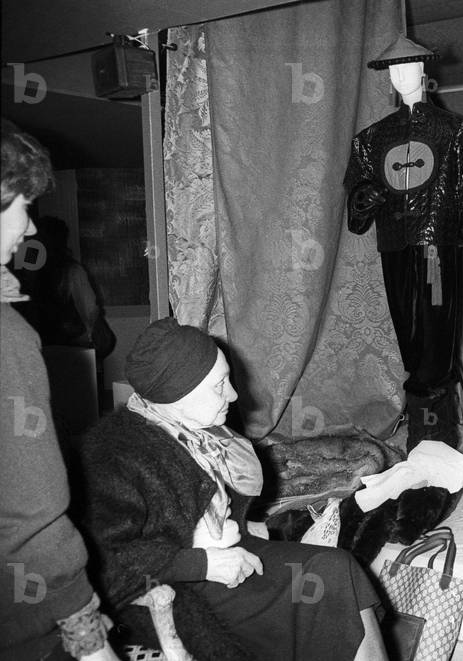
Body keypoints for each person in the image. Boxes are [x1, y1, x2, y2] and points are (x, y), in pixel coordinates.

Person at [75, 317, 386, 660]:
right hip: (173, 588)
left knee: (336, 567)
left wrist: (239, 524)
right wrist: (201, 563)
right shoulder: (114, 455)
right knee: (321, 586)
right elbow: (104, 564)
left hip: (223, 561)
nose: (234, 394)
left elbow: (203, 506)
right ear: (179, 390)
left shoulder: (197, 432)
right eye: (220, 384)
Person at [0, 119, 119, 660]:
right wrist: (88, 637)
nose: (29, 229)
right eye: (23, 207)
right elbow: (35, 509)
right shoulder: (7, 335)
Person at [344, 35, 463, 452]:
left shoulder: (456, 132)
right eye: (395, 68)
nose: (401, 74)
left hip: (433, 252)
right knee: (409, 339)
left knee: (436, 337)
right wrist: (364, 198)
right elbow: (356, 215)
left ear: (424, 71)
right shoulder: (370, 140)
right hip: (395, 249)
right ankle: (423, 441)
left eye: (410, 66)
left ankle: (436, 443)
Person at [13, 215, 115, 361]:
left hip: (41, 346)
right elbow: (90, 309)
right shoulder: (71, 271)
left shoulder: (27, 272)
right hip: (74, 348)